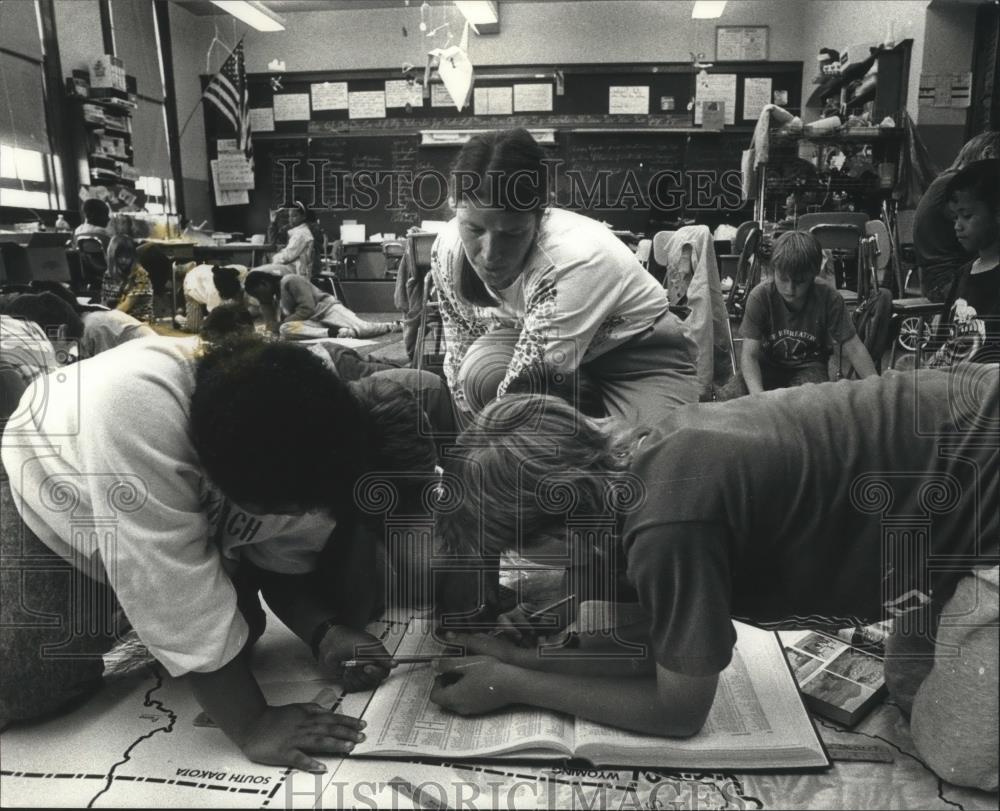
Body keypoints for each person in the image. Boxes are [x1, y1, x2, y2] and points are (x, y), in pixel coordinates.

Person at [432, 365, 999, 791]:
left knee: (955, 751)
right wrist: (522, 656)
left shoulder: (668, 524)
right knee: (908, 687)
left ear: (562, 527)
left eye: (520, 553)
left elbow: (679, 711)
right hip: (944, 490)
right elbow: (651, 650)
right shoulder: (631, 463)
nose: (526, 571)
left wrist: (514, 685)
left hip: (988, 487)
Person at [0, 334, 451, 771]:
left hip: (159, 516)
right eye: (277, 507)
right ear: (219, 471)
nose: (293, 517)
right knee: (30, 681)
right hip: (49, 490)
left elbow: (280, 563)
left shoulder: (308, 431)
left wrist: (324, 632)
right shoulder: (136, 407)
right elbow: (175, 595)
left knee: (239, 634)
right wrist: (253, 722)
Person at [429, 127, 698, 425]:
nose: (490, 254)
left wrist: (488, 455)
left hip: (636, 359)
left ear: (541, 215)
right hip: (561, 363)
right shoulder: (447, 248)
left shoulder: (572, 260)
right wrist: (468, 444)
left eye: (512, 234)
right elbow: (457, 355)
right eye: (475, 230)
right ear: (456, 209)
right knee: (478, 371)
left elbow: (522, 392)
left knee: (647, 458)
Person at [732, 230, 877, 396]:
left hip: (809, 367)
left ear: (814, 274)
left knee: (810, 401)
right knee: (735, 391)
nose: (790, 289)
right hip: (768, 365)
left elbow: (854, 348)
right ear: (773, 271)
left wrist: (877, 389)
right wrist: (758, 398)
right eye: (783, 279)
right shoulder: (760, 296)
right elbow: (749, 356)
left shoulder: (829, 298)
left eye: (800, 281)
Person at [928, 158, 1000, 366]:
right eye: (955, 218)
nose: (957, 226)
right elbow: (944, 342)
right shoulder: (964, 273)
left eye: (966, 216)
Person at [914, 131, 998, 302]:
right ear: (988, 154)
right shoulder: (960, 188)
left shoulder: (949, 180)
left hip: (943, 277)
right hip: (945, 281)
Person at [244, 269, 401, 340]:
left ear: (264, 283)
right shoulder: (274, 297)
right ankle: (334, 333)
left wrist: (280, 323)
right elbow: (273, 325)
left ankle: (395, 325)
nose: (259, 298)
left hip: (327, 310)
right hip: (315, 321)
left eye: (258, 294)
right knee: (286, 329)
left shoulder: (290, 280)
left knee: (364, 329)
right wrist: (266, 306)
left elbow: (307, 308)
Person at [254, 201, 315, 278]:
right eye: (289, 216)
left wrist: (273, 259)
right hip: (291, 267)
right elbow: (274, 242)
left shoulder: (301, 234)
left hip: (296, 271)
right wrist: (273, 222)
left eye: (294, 216)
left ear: (303, 217)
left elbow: (287, 256)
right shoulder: (295, 231)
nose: (290, 219)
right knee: (259, 272)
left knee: (257, 273)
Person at [182, 264, 247, 333]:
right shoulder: (213, 293)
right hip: (192, 283)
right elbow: (214, 319)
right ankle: (180, 319)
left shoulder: (241, 271)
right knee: (195, 328)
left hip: (205, 272)